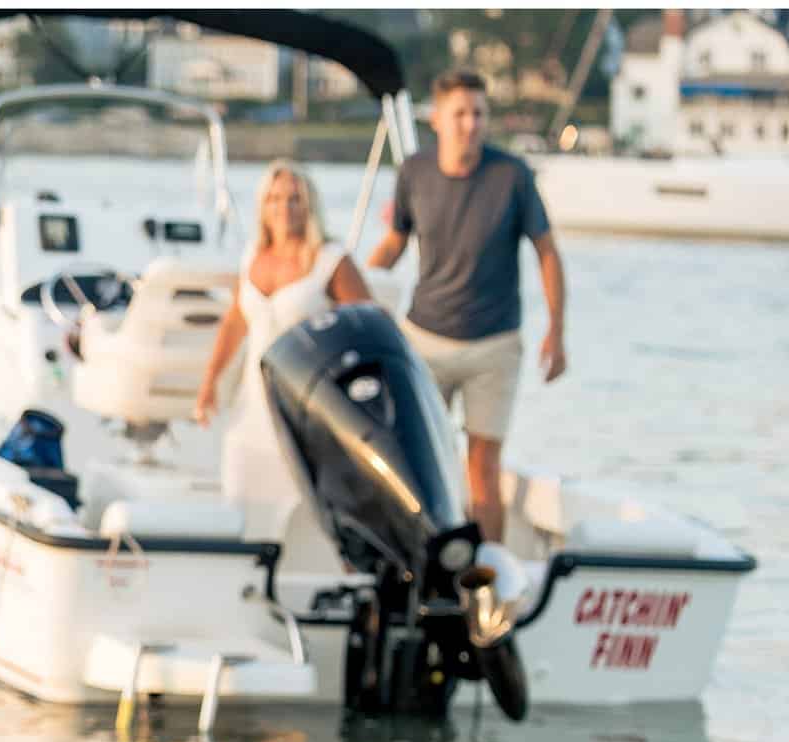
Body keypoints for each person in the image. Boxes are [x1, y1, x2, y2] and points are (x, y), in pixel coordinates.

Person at [367, 69, 568, 544]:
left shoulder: (513, 176)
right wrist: (350, 286)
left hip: (494, 344)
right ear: (437, 119)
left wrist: (556, 331)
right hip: (425, 340)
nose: (470, 124)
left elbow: (547, 252)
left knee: (483, 465)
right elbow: (395, 243)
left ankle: (490, 577)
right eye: (460, 114)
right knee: (419, 458)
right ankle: (418, 563)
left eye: (479, 114)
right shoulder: (414, 172)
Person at [193, 160, 373, 507]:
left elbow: (367, 326)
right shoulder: (253, 256)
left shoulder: (331, 260)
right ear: (263, 205)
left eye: (294, 199)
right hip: (253, 408)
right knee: (240, 502)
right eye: (275, 199)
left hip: (308, 410)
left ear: (309, 205)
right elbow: (235, 321)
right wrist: (209, 382)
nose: (284, 208)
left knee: (303, 510)